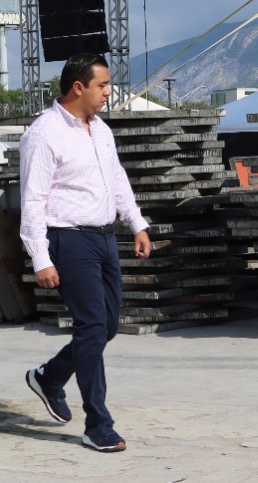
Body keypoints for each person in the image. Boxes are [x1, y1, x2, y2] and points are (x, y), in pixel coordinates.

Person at [19, 53, 150, 452]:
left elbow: (116, 178)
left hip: (105, 237)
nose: (109, 92)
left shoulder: (101, 130)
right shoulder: (43, 135)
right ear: (79, 87)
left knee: (106, 326)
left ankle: (50, 376)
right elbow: (33, 199)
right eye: (103, 85)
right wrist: (40, 257)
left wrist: (137, 223)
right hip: (69, 239)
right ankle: (98, 424)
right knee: (92, 326)